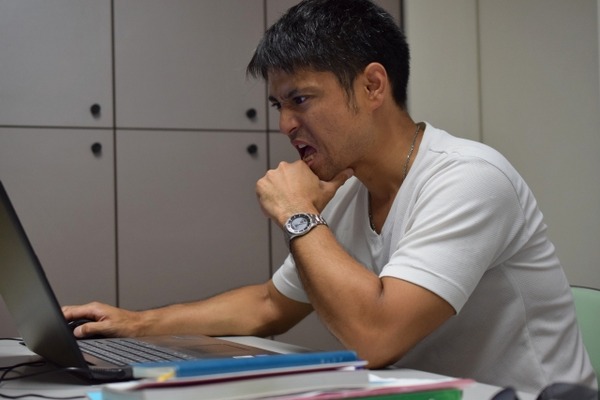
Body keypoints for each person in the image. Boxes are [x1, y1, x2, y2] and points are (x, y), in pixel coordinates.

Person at [62, 0, 596, 393]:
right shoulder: (349, 189)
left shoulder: (470, 178)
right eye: (279, 105)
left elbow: (376, 338)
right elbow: (270, 306)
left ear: (373, 86)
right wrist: (136, 323)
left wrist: (296, 212)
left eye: (301, 99)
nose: (285, 125)